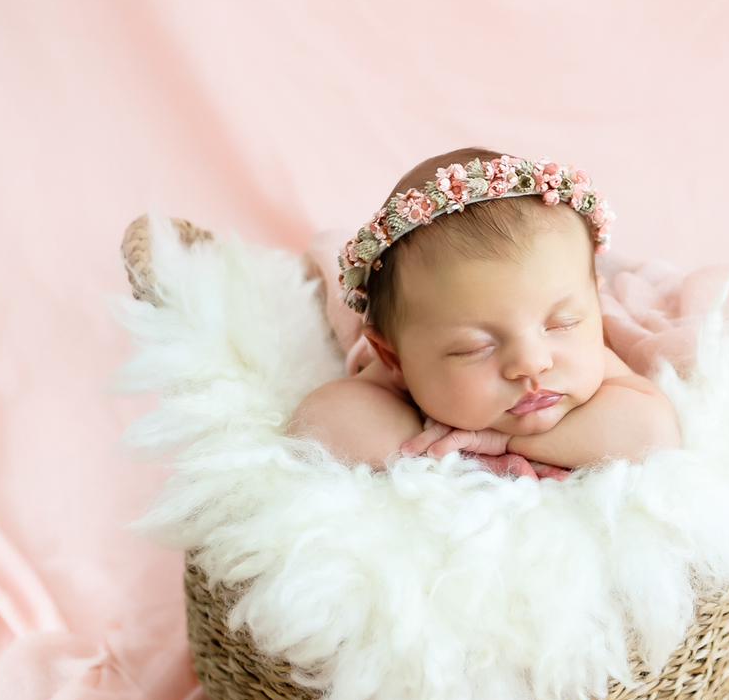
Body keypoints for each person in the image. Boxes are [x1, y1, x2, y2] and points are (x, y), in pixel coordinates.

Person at [288, 150, 681, 475]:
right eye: (474, 347)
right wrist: (444, 454)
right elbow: (322, 425)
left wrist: (501, 441)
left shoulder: (586, 351)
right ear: (394, 358)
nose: (531, 363)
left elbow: (651, 431)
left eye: (563, 324)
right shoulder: (399, 366)